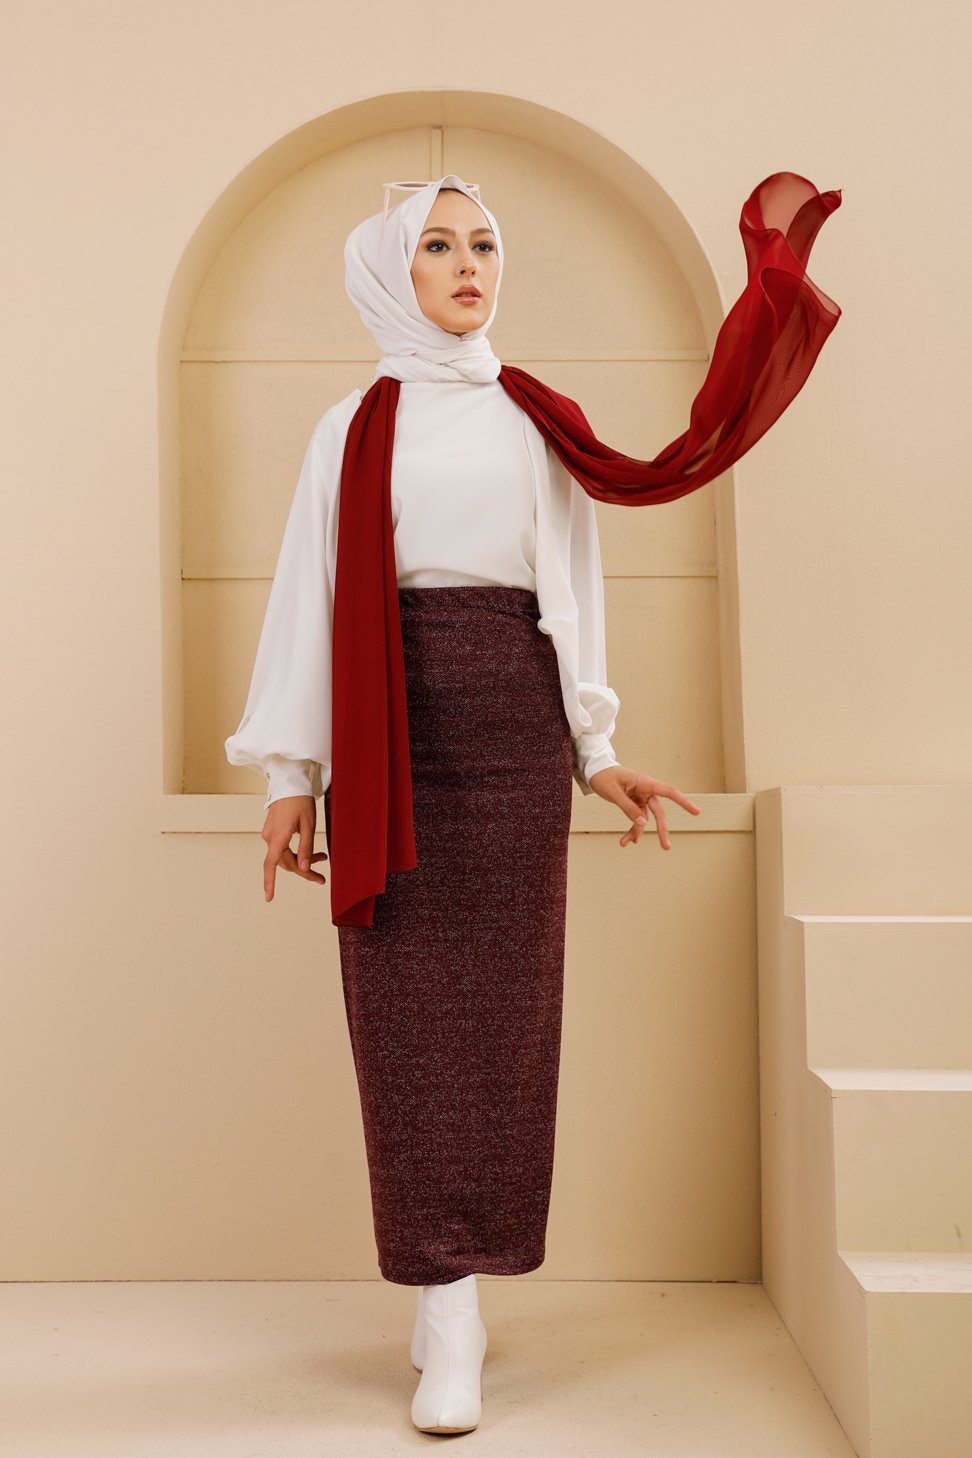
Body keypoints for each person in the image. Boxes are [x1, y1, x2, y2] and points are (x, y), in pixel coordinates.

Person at [225, 175, 750, 1435]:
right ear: (389, 272)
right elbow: (307, 595)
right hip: (387, 729)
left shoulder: (532, 416)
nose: (471, 265)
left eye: (486, 244)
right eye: (439, 245)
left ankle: (460, 1295)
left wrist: (595, 750)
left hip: (514, 731)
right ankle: (441, 1295)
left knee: (505, 1019)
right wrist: (292, 777)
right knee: (404, 1023)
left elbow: (572, 586)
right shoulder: (350, 427)